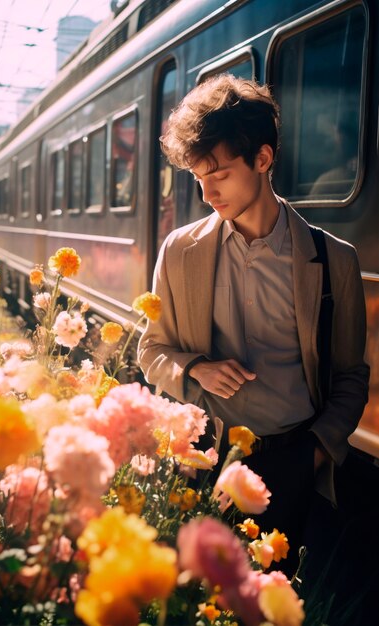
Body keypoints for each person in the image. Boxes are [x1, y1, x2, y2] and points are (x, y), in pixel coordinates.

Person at [137, 74, 369, 577]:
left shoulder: (334, 261)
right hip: (204, 460)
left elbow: (352, 377)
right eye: (198, 176)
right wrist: (196, 368)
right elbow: (150, 350)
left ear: (263, 160)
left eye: (218, 173)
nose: (206, 192)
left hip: (293, 462)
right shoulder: (180, 251)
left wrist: (313, 454)